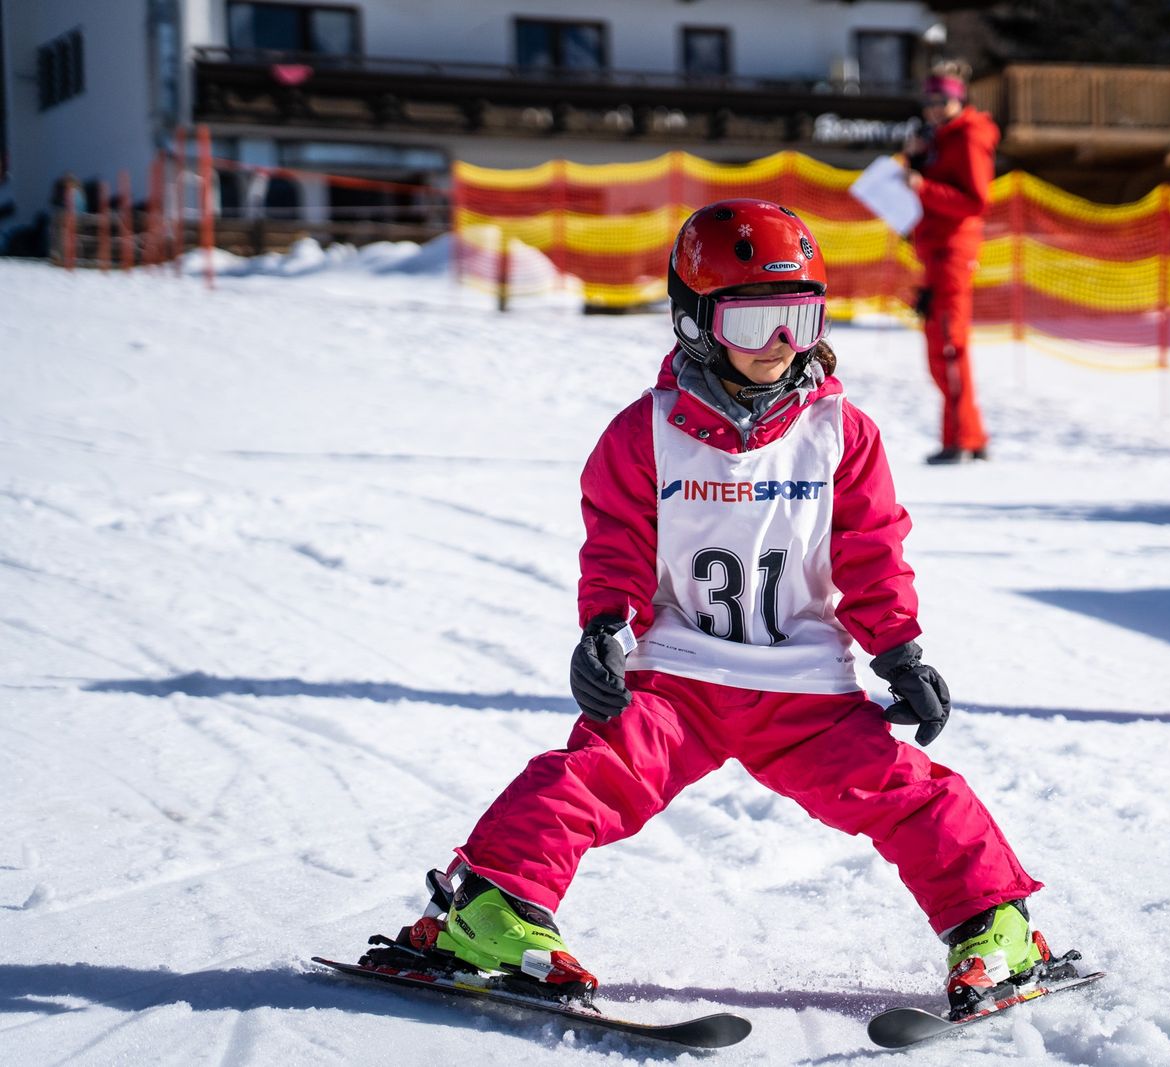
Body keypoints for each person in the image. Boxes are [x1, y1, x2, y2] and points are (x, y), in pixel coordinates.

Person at [400, 199, 1062, 1016]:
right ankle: (488, 909)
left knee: (909, 791)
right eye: (755, 323)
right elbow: (617, 541)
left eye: (800, 319)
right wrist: (604, 626)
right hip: (680, 681)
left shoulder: (841, 434)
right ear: (694, 323)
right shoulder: (645, 433)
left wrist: (900, 652)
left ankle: (995, 925)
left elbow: (871, 549)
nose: (781, 344)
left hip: (806, 692)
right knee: (589, 777)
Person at [905, 61, 1000, 465]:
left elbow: (976, 200)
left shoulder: (969, 136)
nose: (933, 108)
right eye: (928, 100)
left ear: (959, 99)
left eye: (941, 100)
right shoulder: (940, 137)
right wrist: (915, 163)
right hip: (934, 253)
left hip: (952, 254)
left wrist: (923, 187)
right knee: (940, 347)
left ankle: (960, 439)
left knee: (948, 347)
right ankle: (970, 436)